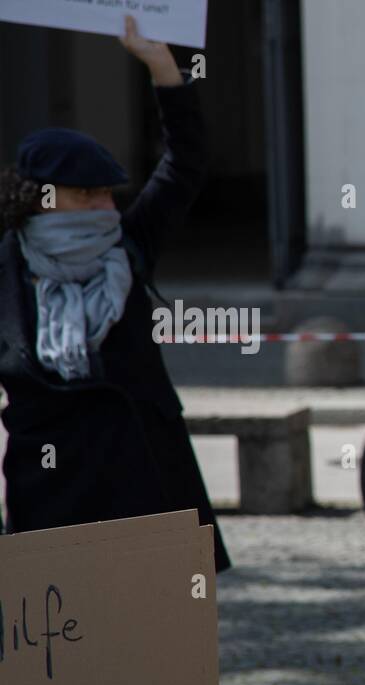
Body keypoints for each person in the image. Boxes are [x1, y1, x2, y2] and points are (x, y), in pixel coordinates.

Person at [0, 15, 230, 572]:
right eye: (88, 195)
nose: (106, 207)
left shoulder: (128, 242)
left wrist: (160, 65)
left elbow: (185, 164)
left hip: (143, 482)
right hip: (48, 490)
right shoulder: (5, 265)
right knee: (63, 651)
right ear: (45, 200)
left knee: (159, 645)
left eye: (108, 193)